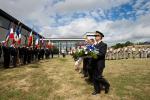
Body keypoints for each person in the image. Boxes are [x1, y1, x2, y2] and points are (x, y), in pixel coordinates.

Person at [92, 31, 110, 95]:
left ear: (101, 37)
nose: (95, 37)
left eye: (97, 35)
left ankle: (107, 84)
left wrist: (93, 52)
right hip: (93, 63)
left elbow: (102, 54)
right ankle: (97, 90)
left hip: (99, 63)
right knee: (94, 77)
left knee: (98, 77)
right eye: (95, 36)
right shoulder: (94, 45)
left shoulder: (103, 45)